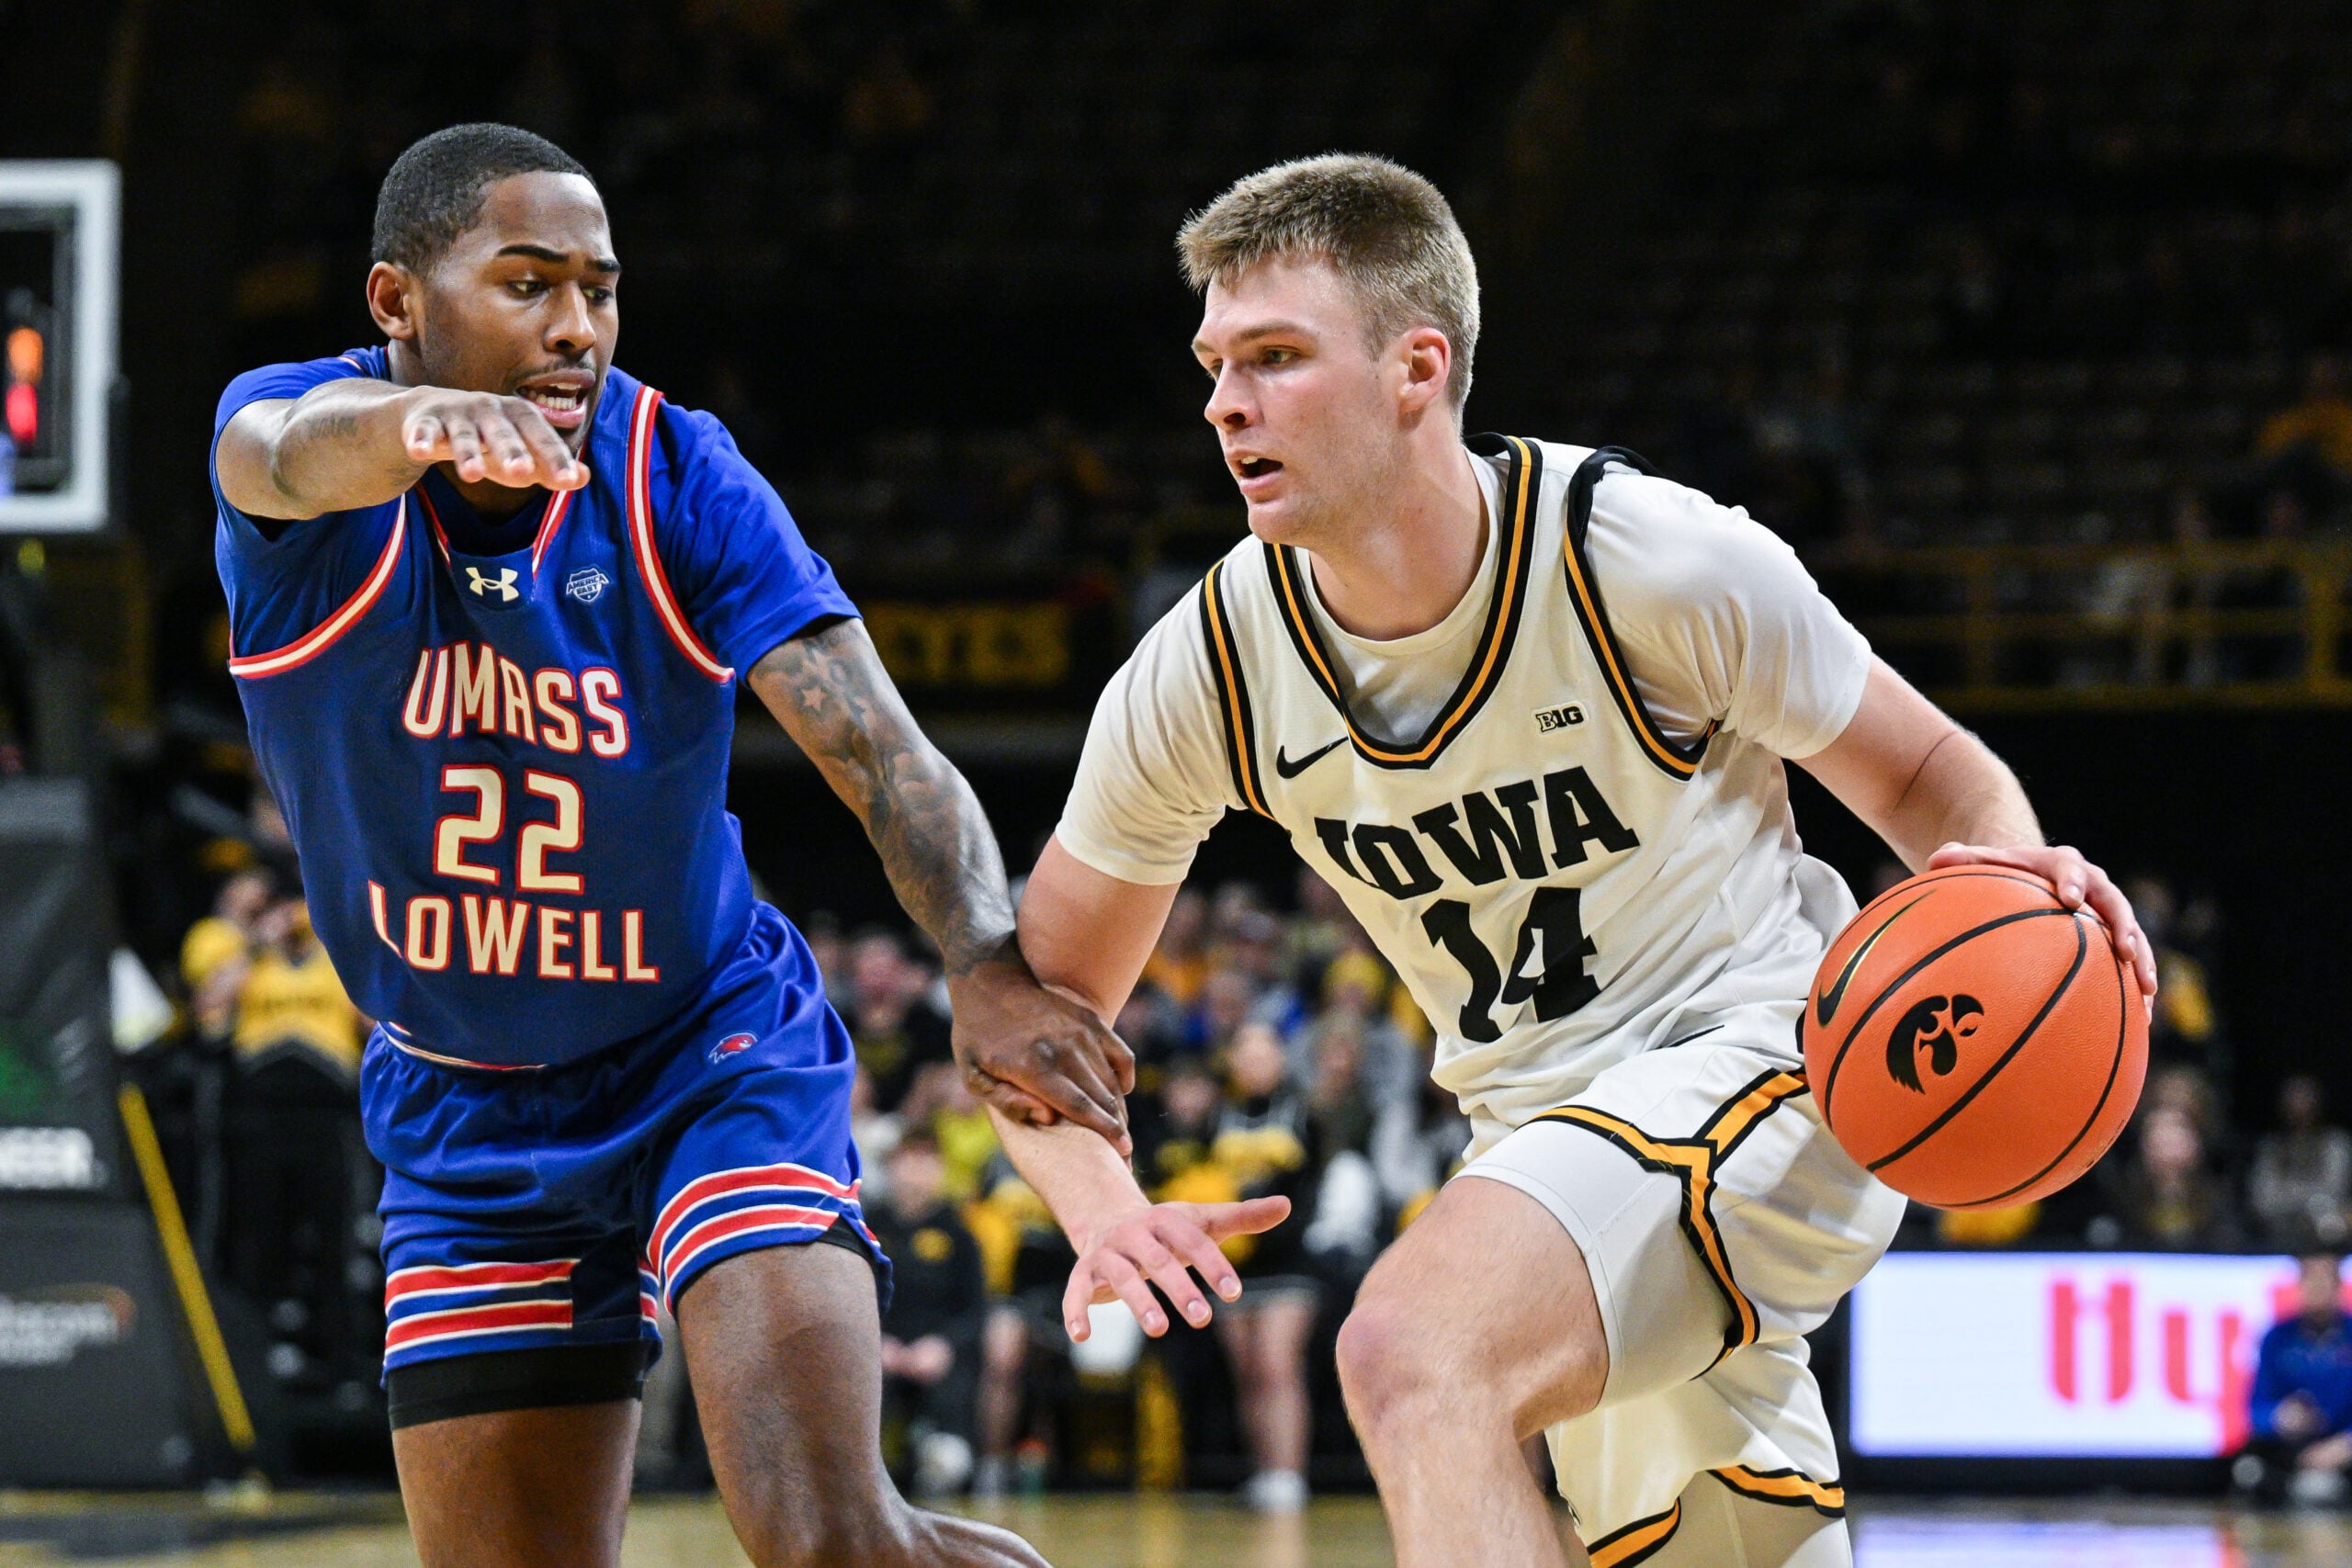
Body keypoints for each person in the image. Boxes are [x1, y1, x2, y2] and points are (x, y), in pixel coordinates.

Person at [983, 154, 2156, 1566]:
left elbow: (1926, 773)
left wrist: (2019, 894)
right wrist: (1101, 1205)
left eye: (1278, 358)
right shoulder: (1210, 668)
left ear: (1419, 367)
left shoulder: (1643, 561)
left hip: (1768, 1056)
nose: (1227, 402)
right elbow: (1035, 1006)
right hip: (1543, 1146)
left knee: (1415, 1352)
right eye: (1216, 363)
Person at [207, 123, 1132, 1568]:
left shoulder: (675, 471)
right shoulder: (302, 454)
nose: (576, 325)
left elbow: (880, 748)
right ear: (397, 304)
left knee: (829, 1542)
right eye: (527, 283)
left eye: (600, 287)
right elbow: (275, 458)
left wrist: (984, 959)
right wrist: (420, 433)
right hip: (462, 1112)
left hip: (706, 1053)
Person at [868, 1129, 988, 1497]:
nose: (917, 1170)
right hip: (879, 1347)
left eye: (927, 1160)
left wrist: (943, 1344)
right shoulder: (867, 1227)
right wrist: (875, 1343)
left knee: (955, 1382)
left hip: (937, 1351)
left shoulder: (959, 1233)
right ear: (891, 1167)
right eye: (909, 1159)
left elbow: (976, 1308)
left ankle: (952, 1462)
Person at [2241, 1253, 2352, 1506]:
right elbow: (2255, 1408)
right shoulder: (2277, 1338)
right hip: (2291, 1452)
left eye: (2324, 1281)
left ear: (2338, 1287)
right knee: (2250, 1471)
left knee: (2319, 1491)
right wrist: (2280, 1417)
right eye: (2310, 1280)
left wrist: (2345, 1444)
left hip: (2343, 1450)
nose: (2317, 1289)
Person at [2251, 1077, 2352, 1249]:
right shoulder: (2271, 1149)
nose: (2300, 1108)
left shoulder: (2337, 1146)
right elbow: (2264, 1202)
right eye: (2294, 1099)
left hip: (2331, 1240)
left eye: (2306, 1099)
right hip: (2277, 1239)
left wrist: (2304, 1205)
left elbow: (2336, 1192)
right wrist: (2306, 1208)